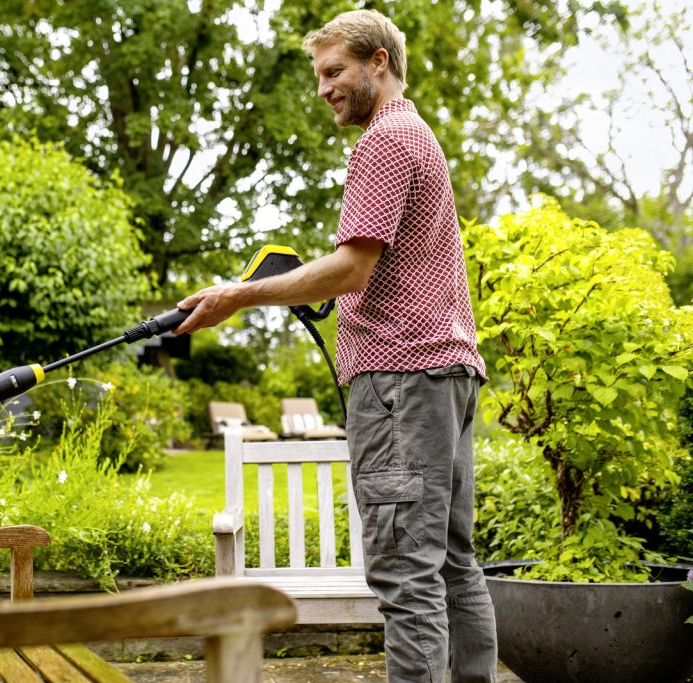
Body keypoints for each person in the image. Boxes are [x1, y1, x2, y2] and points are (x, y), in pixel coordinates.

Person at [174, 9, 498, 683]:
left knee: (406, 574)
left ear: (378, 62)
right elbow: (374, 268)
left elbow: (352, 266)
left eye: (334, 71)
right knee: (452, 565)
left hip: (402, 381)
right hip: (447, 374)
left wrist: (237, 295)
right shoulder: (420, 136)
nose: (323, 88)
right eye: (318, 75)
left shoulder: (385, 140)